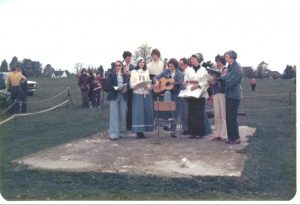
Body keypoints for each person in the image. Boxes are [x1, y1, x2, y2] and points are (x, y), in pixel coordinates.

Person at [153, 58, 183, 138]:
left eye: (172, 66)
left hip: (176, 93)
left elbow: (180, 83)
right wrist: (156, 81)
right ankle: (164, 125)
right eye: (169, 66)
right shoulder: (166, 71)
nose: (170, 68)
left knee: (175, 111)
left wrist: (173, 82)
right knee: (165, 109)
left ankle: (173, 131)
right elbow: (155, 77)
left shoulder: (179, 74)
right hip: (165, 92)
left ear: (175, 66)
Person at [183, 53, 210, 139]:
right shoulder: (188, 70)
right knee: (191, 113)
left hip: (200, 94)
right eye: (191, 59)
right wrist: (185, 84)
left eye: (194, 59)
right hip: (191, 93)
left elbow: (207, 82)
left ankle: (199, 133)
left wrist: (198, 86)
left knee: (199, 113)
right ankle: (192, 132)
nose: (192, 60)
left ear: (198, 60)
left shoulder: (204, 70)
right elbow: (186, 81)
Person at [221, 50, 243, 144]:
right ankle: (231, 137)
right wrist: (220, 77)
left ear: (232, 57)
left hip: (234, 95)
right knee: (228, 117)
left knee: (232, 117)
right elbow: (226, 78)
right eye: (225, 57)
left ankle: (236, 138)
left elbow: (233, 81)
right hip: (229, 95)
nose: (225, 59)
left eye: (227, 57)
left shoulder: (237, 68)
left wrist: (224, 83)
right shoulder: (229, 67)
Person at [130, 58, 154, 138]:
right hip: (137, 93)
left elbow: (148, 81)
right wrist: (135, 86)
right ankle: (139, 131)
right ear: (137, 63)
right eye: (140, 62)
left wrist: (149, 87)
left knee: (145, 112)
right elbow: (131, 83)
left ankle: (145, 129)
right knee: (138, 113)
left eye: (143, 62)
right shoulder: (133, 72)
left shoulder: (146, 71)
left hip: (145, 93)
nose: (142, 63)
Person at [107, 60, 129, 140]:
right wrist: (116, 88)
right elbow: (108, 86)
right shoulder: (111, 75)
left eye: (119, 65)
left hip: (123, 96)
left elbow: (128, 85)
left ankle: (122, 133)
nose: (118, 67)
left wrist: (126, 89)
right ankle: (113, 134)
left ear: (122, 66)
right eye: (116, 65)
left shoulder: (125, 76)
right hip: (114, 96)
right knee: (114, 115)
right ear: (114, 67)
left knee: (122, 115)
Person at [210, 54, 227, 141]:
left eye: (219, 62)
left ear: (222, 62)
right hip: (216, 93)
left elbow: (224, 81)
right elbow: (212, 84)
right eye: (216, 61)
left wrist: (217, 77)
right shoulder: (215, 71)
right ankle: (217, 134)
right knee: (217, 114)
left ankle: (224, 135)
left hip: (223, 93)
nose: (217, 63)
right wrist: (211, 79)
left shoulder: (225, 70)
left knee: (223, 114)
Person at [122, 51, 135, 131]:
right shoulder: (120, 64)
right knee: (123, 106)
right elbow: (123, 73)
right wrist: (128, 73)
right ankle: (123, 124)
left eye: (130, 57)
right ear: (125, 57)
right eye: (128, 57)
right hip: (123, 88)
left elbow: (133, 74)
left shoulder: (132, 66)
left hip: (130, 88)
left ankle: (129, 125)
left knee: (130, 107)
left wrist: (128, 73)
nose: (130, 59)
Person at [178, 58, 191, 135]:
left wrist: (183, 84)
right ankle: (185, 128)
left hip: (187, 93)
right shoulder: (183, 71)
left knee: (186, 112)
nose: (180, 66)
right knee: (183, 111)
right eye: (179, 65)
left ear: (186, 64)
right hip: (183, 93)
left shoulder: (189, 71)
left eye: (181, 65)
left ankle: (187, 129)